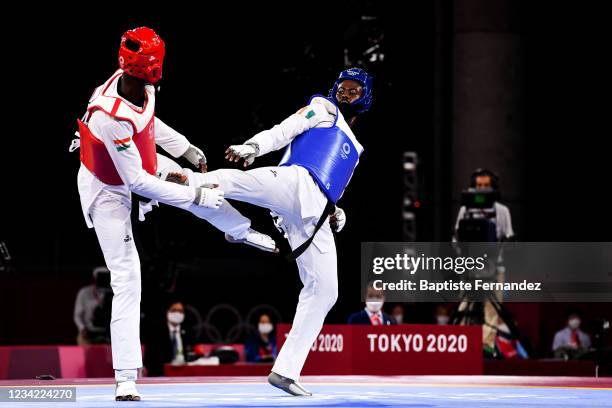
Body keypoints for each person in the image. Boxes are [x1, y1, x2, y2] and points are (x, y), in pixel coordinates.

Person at [72, 27, 276, 401]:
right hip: (106, 186)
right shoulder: (109, 114)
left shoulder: (140, 86)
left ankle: (240, 230)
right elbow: (138, 183)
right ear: (151, 65)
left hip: (136, 156)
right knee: (127, 276)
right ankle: (125, 376)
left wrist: (186, 149)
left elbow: (150, 122)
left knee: (208, 186)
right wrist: (193, 196)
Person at [169, 67, 372, 396]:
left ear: (366, 97)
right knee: (239, 183)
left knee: (325, 291)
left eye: (354, 91)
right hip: (292, 182)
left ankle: (286, 371)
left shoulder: (355, 149)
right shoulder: (324, 108)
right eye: (343, 88)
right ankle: (183, 180)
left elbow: (331, 183)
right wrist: (253, 146)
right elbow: (286, 130)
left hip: (315, 212)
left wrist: (337, 212)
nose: (346, 94)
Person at [143, 301, 195, 376]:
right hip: (160, 374)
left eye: (180, 311)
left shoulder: (189, 331)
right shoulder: (156, 331)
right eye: (174, 310)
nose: (177, 314)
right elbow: (151, 358)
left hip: (183, 374)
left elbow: (192, 355)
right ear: (168, 312)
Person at [73, 266, 113, 345]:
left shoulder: (113, 293)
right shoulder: (84, 292)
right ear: (95, 278)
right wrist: (82, 328)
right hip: (88, 332)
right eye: (102, 277)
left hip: (107, 333)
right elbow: (77, 315)